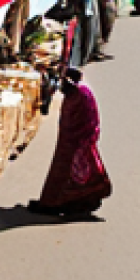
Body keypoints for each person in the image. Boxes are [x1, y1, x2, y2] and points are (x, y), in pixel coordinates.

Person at [29, 68, 111, 218]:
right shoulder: (75, 94)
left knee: (71, 173)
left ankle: (55, 203)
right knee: (62, 171)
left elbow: (89, 120)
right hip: (69, 139)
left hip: (78, 141)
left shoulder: (81, 94)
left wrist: (82, 140)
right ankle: (52, 202)